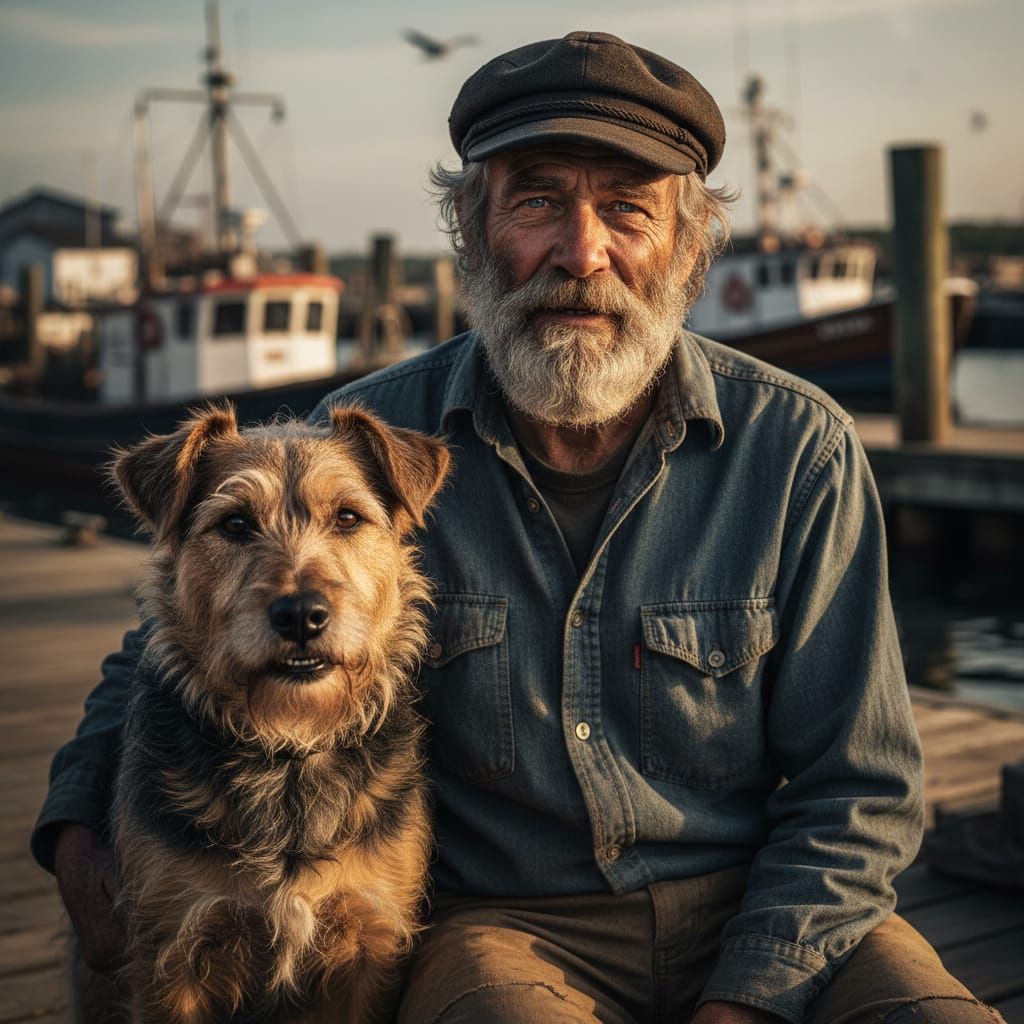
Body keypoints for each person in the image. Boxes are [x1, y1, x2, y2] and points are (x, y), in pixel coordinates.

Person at [35, 31, 1003, 1024]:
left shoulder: (800, 449)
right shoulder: (367, 444)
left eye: (627, 207)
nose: (581, 253)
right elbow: (181, 634)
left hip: (773, 906)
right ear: (472, 229)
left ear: (688, 244)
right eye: (537, 200)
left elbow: (865, 786)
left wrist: (748, 999)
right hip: (505, 927)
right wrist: (74, 820)